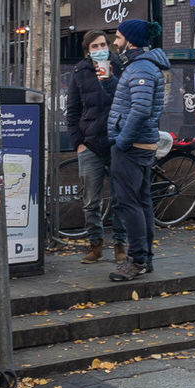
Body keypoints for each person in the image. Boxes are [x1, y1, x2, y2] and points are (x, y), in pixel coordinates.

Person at [107, 17, 169, 281]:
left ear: (130, 41)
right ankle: (146, 258)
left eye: (119, 38)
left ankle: (137, 261)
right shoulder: (141, 66)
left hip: (132, 146)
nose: (115, 42)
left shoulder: (141, 68)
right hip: (140, 144)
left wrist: (121, 141)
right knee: (142, 203)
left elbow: (141, 109)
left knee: (129, 204)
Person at [64, 30, 126, 263]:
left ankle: (120, 244)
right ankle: (95, 244)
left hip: (117, 141)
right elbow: (73, 110)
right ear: (87, 51)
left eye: (103, 45)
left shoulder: (120, 65)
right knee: (91, 200)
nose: (100, 49)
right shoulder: (80, 72)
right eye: (95, 46)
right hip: (90, 143)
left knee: (121, 198)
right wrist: (78, 142)